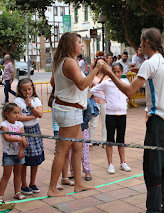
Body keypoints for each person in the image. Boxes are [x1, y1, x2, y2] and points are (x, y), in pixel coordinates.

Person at [101, 27, 164, 213]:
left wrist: (109, 73)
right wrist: (141, 70)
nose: (139, 44)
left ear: (146, 43)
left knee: (152, 169)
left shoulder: (150, 63)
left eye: (140, 41)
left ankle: (153, 210)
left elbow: (129, 91)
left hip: (158, 121)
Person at [48, 32, 98, 197]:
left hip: (72, 110)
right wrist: (97, 69)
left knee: (78, 146)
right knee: (62, 149)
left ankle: (78, 183)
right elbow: (83, 84)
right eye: (79, 42)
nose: (82, 45)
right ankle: (52, 188)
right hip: (68, 111)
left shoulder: (64, 61)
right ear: (71, 45)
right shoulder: (69, 62)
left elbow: (52, 81)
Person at [90, 62, 131, 174]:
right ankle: (110, 163)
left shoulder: (125, 82)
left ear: (122, 72)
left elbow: (128, 92)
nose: (116, 74)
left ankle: (123, 162)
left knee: (121, 139)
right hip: (110, 114)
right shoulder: (107, 83)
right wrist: (105, 97)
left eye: (119, 72)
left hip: (122, 113)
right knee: (110, 139)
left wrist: (123, 100)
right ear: (111, 72)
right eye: (114, 71)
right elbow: (93, 90)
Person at [14, 78, 44, 195]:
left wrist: (30, 105)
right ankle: (24, 184)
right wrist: (33, 116)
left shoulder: (36, 100)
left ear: (33, 89)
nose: (27, 92)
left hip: (35, 130)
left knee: (36, 158)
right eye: (24, 90)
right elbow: (18, 117)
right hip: (23, 129)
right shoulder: (17, 101)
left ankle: (33, 182)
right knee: (24, 159)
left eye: (29, 89)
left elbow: (40, 114)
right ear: (20, 90)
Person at [0, 103, 28, 202]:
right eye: (14, 113)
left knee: (18, 174)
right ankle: (1, 196)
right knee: (6, 175)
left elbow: (23, 137)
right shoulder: (4, 125)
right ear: (6, 114)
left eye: (18, 113)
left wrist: (22, 150)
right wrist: (20, 140)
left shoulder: (20, 124)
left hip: (19, 154)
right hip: (8, 154)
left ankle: (17, 192)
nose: (17, 115)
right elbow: (7, 137)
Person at [68, 97, 94, 181]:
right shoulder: (69, 99)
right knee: (71, 152)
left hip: (82, 129)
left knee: (84, 151)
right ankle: (73, 171)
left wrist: (81, 125)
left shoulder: (85, 100)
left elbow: (88, 114)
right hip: (71, 128)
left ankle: (87, 171)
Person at [89, 51, 109, 146]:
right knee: (93, 123)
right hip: (95, 101)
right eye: (99, 63)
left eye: (102, 63)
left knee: (105, 123)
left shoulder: (108, 76)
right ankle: (90, 142)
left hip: (105, 102)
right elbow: (88, 88)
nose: (101, 66)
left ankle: (104, 141)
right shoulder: (93, 75)